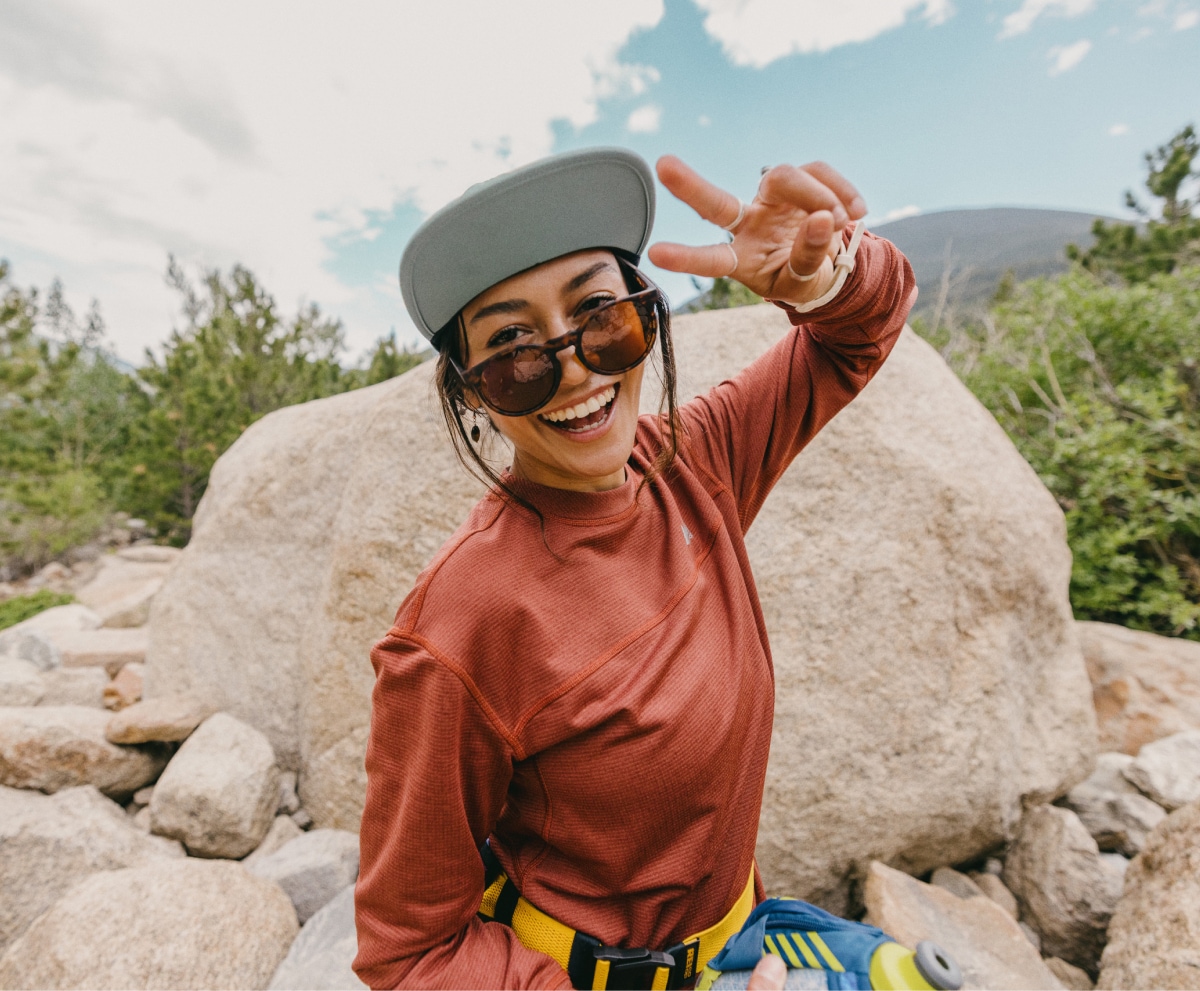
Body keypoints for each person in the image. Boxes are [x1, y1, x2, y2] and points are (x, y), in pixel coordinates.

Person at [352, 146, 916, 990]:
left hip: (743, 949)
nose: (574, 365)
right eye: (513, 350)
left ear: (646, 319)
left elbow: (854, 338)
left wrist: (825, 279)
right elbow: (409, 949)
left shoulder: (696, 463)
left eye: (601, 316)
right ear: (472, 392)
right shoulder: (460, 623)